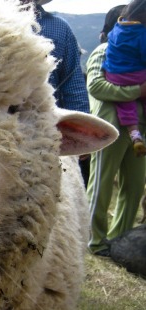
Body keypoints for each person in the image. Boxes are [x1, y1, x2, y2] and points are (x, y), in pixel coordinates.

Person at [86, 4, 146, 257]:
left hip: (138, 131)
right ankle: (94, 241)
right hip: (108, 127)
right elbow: (97, 86)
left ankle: (118, 241)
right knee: (100, 185)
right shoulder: (103, 51)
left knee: (133, 187)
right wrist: (137, 91)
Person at [19, 0, 91, 185]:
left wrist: (81, 131)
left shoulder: (59, 28)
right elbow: (73, 84)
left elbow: (72, 84)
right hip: (39, 132)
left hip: (39, 132)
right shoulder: (59, 27)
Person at [102, 0, 146, 156]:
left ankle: (134, 134)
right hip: (137, 76)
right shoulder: (141, 33)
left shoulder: (116, 28)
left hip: (114, 75)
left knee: (125, 103)